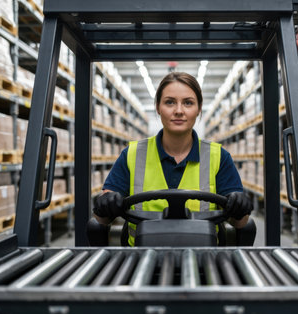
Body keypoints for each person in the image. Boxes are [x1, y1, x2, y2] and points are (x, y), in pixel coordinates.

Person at [93, 72, 252, 246]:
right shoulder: (132, 154)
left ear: (199, 109)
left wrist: (239, 207)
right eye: (170, 102)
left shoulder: (219, 156)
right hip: (139, 257)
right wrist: (106, 202)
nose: (178, 111)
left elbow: (241, 223)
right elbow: (101, 219)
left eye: (188, 103)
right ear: (158, 107)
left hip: (205, 257)